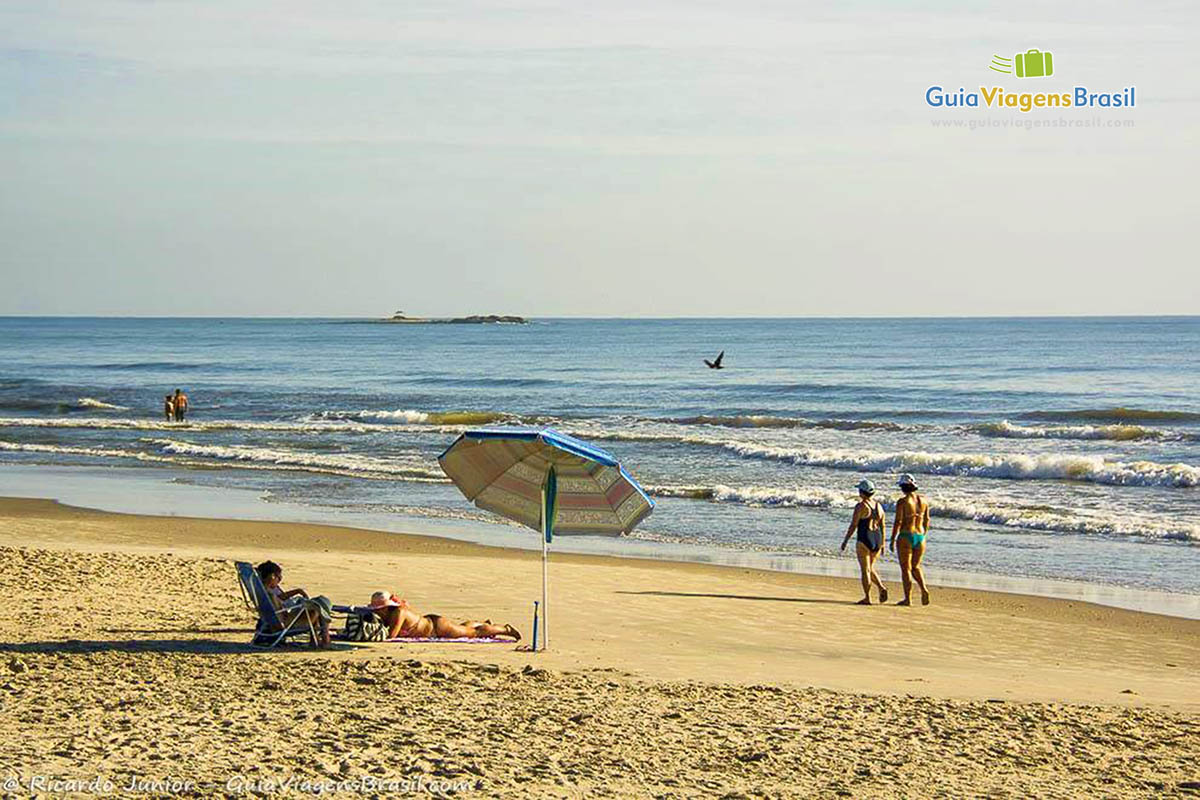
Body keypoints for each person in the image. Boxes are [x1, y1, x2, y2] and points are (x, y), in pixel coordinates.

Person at [367, 591, 520, 641]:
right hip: (432, 623)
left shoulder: (399, 612)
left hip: (437, 628)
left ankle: (505, 629)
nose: (376, 612)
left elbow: (391, 635)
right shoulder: (390, 614)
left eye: (378, 609)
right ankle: (481, 622)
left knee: (473, 633)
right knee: (464, 628)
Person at [255, 560, 331, 647]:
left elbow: (280, 597)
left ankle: (316, 639)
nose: (279, 580)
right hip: (285, 624)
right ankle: (325, 638)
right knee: (319, 606)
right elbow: (280, 608)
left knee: (316, 605)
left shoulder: (261, 592)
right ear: (272, 576)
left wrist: (298, 591)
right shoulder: (270, 595)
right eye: (278, 578)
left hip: (274, 622)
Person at [841, 479, 888, 605]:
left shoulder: (861, 506)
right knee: (870, 568)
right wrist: (883, 543)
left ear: (862, 492)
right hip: (877, 538)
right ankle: (881, 587)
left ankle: (867, 597)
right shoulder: (879, 506)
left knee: (865, 570)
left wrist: (845, 540)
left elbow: (853, 525)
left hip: (864, 538)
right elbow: (883, 526)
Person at [889, 473, 931, 606]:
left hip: (906, 536)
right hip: (920, 536)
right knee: (916, 567)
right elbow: (926, 520)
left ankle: (908, 598)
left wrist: (892, 538)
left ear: (903, 487)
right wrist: (924, 534)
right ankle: (924, 589)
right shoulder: (923, 501)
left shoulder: (902, 502)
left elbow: (898, 521)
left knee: (906, 569)